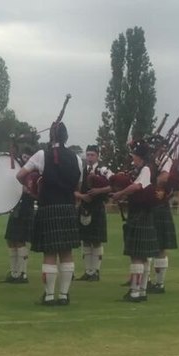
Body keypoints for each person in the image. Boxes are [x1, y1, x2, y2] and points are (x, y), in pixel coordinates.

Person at [17, 121, 82, 306]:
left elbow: (20, 175)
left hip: (48, 207)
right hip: (68, 207)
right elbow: (77, 185)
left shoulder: (41, 155)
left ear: (51, 136)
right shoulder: (76, 158)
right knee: (66, 252)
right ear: (66, 136)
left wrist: (31, 187)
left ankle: (49, 295)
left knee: (50, 253)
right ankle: (63, 295)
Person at [111, 140, 159, 302]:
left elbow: (137, 187)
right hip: (142, 215)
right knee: (143, 256)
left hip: (140, 215)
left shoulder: (145, 169)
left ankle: (135, 292)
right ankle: (142, 291)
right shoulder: (143, 169)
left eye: (134, 157)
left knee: (137, 256)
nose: (133, 160)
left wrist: (120, 194)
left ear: (140, 157)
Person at [74, 145, 113, 282]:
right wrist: (81, 196)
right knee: (85, 240)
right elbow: (74, 189)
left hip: (97, 207)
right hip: (84, 207)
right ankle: (88, 271)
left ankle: (95, 272)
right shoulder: (82, 171)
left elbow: (113, 185)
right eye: (88, 155)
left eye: (92, 155)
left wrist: (99, 191)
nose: (89, 158)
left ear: (98, 156)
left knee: (96, 241)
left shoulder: (103, 170)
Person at [148, 138, 178, 294]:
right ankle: (144, 279)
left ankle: (159, 284)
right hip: (151, 204)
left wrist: (148, 183)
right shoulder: (153, 160)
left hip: (159, 205)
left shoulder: (166, 160)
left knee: (160, 246)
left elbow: (164, 177)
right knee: (148, 245)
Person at [2, 148, 36, 284]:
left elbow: (35, 190)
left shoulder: (34, 172)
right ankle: (14, 273)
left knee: (20, 240)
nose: (25, 159)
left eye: (27, 157)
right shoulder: (17, 168)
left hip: (25, 207)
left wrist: (28, 190)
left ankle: (23, 274)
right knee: (10, 239)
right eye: (24, 156)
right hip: (16, 206)